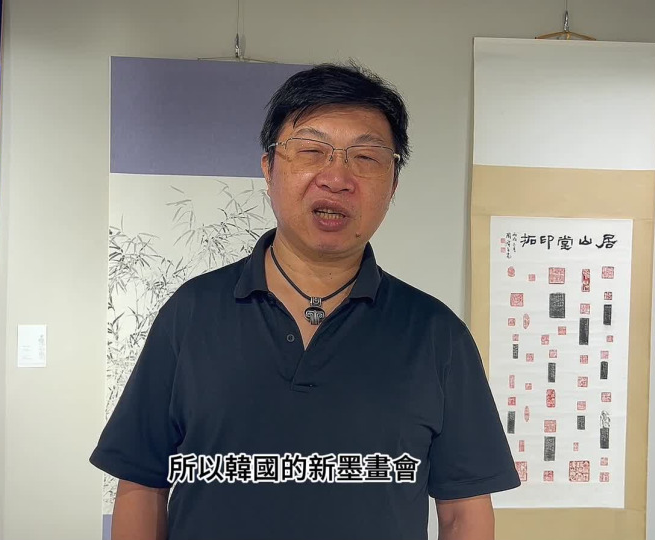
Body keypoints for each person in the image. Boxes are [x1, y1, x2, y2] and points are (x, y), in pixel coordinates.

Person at [90, 62, 519, 540]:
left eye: (366, 157)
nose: (337, 178)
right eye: (312, 151)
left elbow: (464, 512)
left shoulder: (437, 334)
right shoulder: (191, 313)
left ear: (393, 186)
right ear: (268, 168)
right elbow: (142, 484)